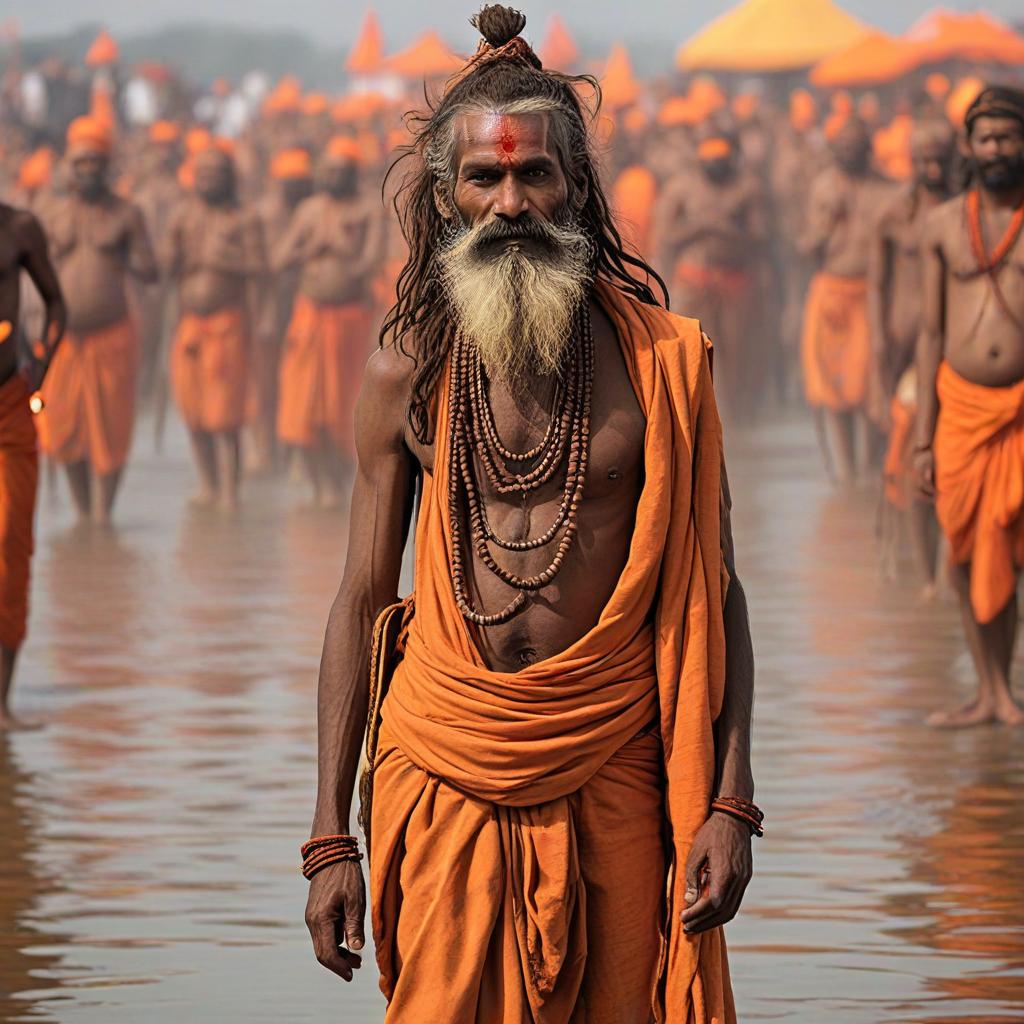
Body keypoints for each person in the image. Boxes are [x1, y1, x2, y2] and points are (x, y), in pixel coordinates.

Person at [303, 7, 757, 1022]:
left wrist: (729, 800)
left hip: (612, 754)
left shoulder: (662, 366)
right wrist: (330, 835)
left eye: (533, 176)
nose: (510, 202)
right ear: (446, 197)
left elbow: (712, 592)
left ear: (573, 187)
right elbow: (362, 596)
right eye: (484, 179)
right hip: (442, 756)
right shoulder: (404, 376)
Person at [915, 86, 1024, 728]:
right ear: (969, 147)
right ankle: (987, 691)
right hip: (959, 407)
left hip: (1019, 409)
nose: (997, 148)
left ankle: (1005, 689)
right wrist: (923, 438)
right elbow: (930, 333)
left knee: (1010, 544)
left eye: (1008, 136)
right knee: (961, 547)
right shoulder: (940, 226)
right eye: (986, 138)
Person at [36, 116, 157, 524]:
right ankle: (82, 512)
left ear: (107, 166)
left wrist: (128, 254)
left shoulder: (127, 213)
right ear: (68, 165)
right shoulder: (48, 211)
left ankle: (104, 514)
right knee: (62, 427)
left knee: (111, 427)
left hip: (112, 335)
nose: (88, 169)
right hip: (62, 338)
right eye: (81, 162)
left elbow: (151, 269)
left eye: (95, 162)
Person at [870, 120, 956, 593]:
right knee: (912, 459)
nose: (933, 163)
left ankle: (951, 567)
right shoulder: (894, 216)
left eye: (941, 153)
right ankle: (928, 578)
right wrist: (879, 347)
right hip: (908, 360)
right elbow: (876, 285)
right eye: (924, 154)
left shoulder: (969, 215)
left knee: (955, 464)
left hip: (957, 356)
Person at [273, 137, 383, 506]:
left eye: (342, 171)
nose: (335, 176)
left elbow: (371, 261)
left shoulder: (368, 210)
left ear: (354, 174)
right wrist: (311, 247)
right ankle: (320, 487)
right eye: (330, 170)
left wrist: (340, 249)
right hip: (309, 319)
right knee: (304, 406)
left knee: (343, 406)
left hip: (351, 320)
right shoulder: (308, 211)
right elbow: (279, 258)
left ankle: (339, 486)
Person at [165, 144, 269, 510]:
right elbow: (167, 269)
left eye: (216, 173)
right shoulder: (183, 216)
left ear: (230, 178)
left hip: (228, 324)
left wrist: (226, 259)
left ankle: (229, 492)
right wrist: (176, 253)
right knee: (193, 413)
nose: (208, 179)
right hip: (190, 324)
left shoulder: (244, 218)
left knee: (225, 415)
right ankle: (208, 485)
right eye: (203, 172)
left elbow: (260, 267)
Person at [0, 201, 66, 728]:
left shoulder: (20, 228)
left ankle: (1, 704)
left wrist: (41, 361)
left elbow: (55, 304)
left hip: (9, 407)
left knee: (10, 542)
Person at [800, 116, 894, 482]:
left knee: (867, 382)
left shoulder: (887, 192)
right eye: (843, 146)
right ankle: (847, 475)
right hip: (829, 292)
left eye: (856, 145)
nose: (849, 152)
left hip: (869, 294)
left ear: (868, 150)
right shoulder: (824, 188)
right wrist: (827, 222)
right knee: (831, 387)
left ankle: (871, 468)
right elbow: (806, 247)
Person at [656, 124, 765, 419]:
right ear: (699, 159)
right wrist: (701, 226)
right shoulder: (681, 187)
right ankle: (693, 412)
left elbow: (759, 237)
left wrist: (726, 229)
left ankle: (734, 415)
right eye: (709, 156)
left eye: (721, 156)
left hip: (734, 280)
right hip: (693, 280)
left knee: (734, 350)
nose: (715, 163)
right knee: (692, 350)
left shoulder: (747, 187)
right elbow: (666, 236)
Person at [249, 147, 314, 473]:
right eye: (290, 182)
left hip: (305, 306)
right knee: (265, 386)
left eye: (300, 182)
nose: (295, 188)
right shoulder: (263, 214)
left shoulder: (312, 211)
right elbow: (265, 265)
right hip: (270, 307)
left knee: (299, 385)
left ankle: (296, 454)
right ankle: (264, 451)